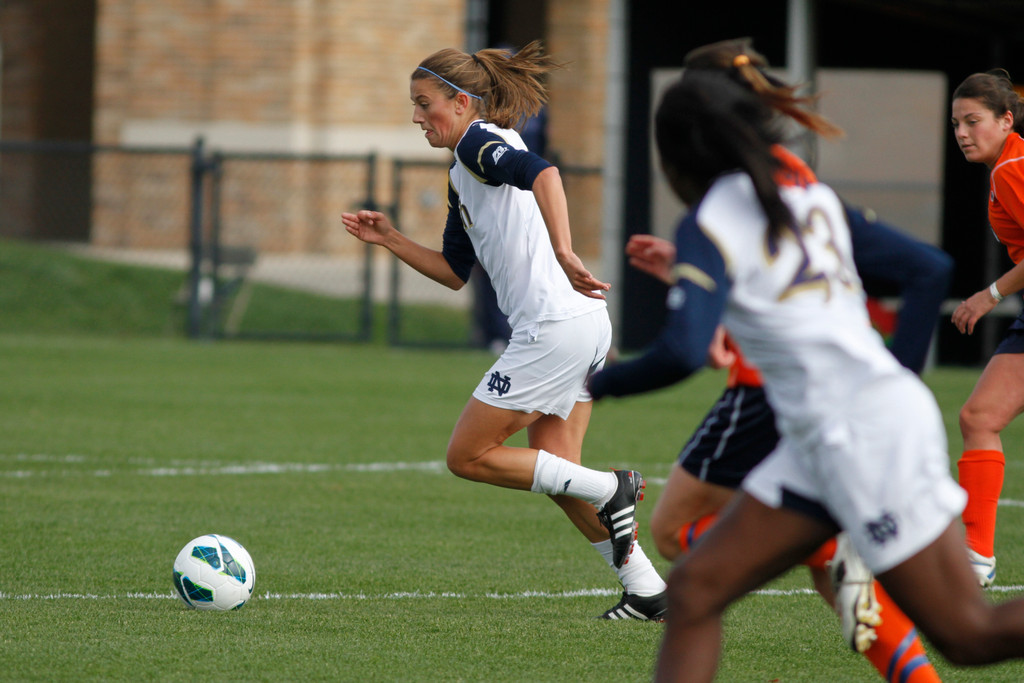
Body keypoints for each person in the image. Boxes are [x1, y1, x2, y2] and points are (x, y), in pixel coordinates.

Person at [588, 69, 1024, 681]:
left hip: (857, 436)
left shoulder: (709, 219)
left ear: (679, 153)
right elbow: (928, 268)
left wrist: (598, 383)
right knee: (695, 590)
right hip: (836, 435)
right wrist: (894, 381)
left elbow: (682, 354)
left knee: (969, 635)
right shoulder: (809, 196)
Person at [341, 41, 667, 619]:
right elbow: (453, 274)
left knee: (468, 456)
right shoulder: (462, 171)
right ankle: (647, 589)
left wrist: (565, 251)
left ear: (462, 102)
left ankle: (611, 487)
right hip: (581, 325)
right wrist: (390, 239)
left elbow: (544, 173)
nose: (416, 116)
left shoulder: (476, 143)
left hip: (553, 326)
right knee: (554, 465)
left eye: (424, 103)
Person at [950, 69, 1024, 588]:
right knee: (979, 416)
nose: (962, 132)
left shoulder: (1011, 169)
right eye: (956, 123)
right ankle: (975, 556)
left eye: (974, 121)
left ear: (1006, 120)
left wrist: (990, 294)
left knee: (979, 417)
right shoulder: (1009, 163)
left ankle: (975, 556)